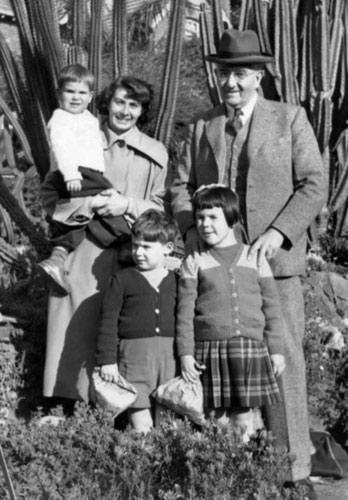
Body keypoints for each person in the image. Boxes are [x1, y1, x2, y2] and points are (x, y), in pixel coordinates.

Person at [171, 29, 326, 497]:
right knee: (218, 364)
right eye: (224, 73)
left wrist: (279, 234)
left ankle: (293, 471)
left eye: (240, 73)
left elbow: (313, 183)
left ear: (258, 76)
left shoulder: (290, 119)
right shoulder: (203, 126)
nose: (231, 83)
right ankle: (232, 467)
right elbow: (179, 187)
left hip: (273, 265)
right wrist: (193, 232)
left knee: (284, 361)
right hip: (215, 271)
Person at [42, 75, 169, 406]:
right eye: (119, 102)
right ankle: (64, 408)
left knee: (123, 335)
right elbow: (50, 189)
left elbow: (159, 204)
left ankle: (122, 410)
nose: (125, 111)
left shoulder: (156, 152)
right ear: (106, 103)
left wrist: (126, 204)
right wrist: (85, 206)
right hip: (84, 248)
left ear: (143, 110)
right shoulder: (81, 135)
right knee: (73, 329)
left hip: (132, 252)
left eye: (134, 104)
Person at [176, 185, 285, 441]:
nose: (205, 224)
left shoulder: (254, 257)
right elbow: (184, 314)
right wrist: (185, 354)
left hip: (248, 349)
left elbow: (272, 308)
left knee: (243, 416)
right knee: (214, 418)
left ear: (232, 219)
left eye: (213, 217)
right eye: (200, 218)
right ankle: (218, 472)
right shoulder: (194, 262)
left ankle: (240, 472)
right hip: (209, 350)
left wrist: (277, 350)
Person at [39, 64, 131, 292]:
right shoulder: (60, 119)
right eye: (70, 91)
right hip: (76, 174)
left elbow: (91, 139)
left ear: (90, 97)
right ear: (59, 93)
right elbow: (60, 146)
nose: (75, 97)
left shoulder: (88, 119)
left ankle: (57, 259)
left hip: (86, 175)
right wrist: (70, 173)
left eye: (81, 93)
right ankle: (127, 242)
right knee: (111, 202)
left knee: (81, 218)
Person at [96, 209, 178, 433]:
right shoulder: (121, 280)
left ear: (168, 249)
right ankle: (140, 465)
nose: (139, 252)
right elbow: (108, 322)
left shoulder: (178, 280)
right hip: (133, 359)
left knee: (168, 421)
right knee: (140, 422)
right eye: (135, 246)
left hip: (169, 359)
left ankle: (165, 467)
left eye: (147, 247)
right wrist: (107, 360)